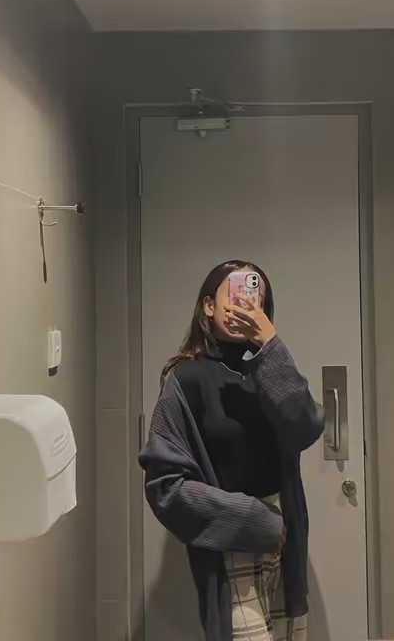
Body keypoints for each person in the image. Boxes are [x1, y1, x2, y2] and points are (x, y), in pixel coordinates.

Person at [139, 260, 325, 641]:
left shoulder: (269, 370)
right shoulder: (186, 378)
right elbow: (164, 485)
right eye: (236, 293)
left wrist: (270, 344)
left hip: (287, 549)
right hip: (232, 551)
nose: (245, 302)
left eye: (254, 296)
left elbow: (306, 426)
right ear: (209, 306)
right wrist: (254, 520)